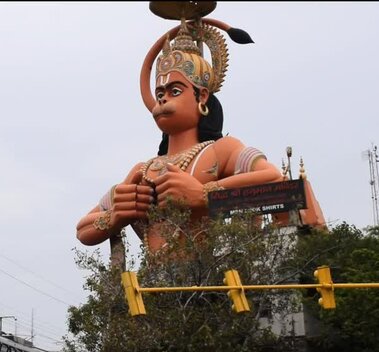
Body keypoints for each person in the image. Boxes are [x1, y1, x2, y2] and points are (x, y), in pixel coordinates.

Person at [76, 18, 324, 254]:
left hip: (217, 283)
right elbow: (82, 229)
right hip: (152, 287)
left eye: (174, 91)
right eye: (159, 92)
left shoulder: (220, 150)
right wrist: (117, 215)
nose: (162, 98)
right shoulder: (143, 171)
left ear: (202, 97)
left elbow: (272, 178)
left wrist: (204, 195)